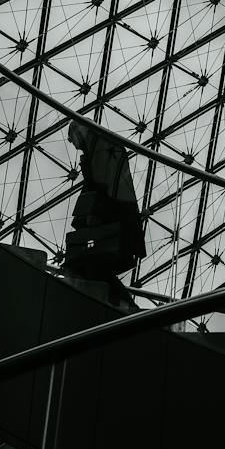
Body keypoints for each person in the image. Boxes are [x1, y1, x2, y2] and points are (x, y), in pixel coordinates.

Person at [63, 120, 147, 309]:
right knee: (96, 268)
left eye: (72, 139)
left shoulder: (101, 151)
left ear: (81, 131)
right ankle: (129, 308)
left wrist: (94, 215)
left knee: (91, 267)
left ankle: (129, 309)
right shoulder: (103, 150)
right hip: (117, 225)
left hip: (112, 225)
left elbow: (102, 185)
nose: (75, 146)